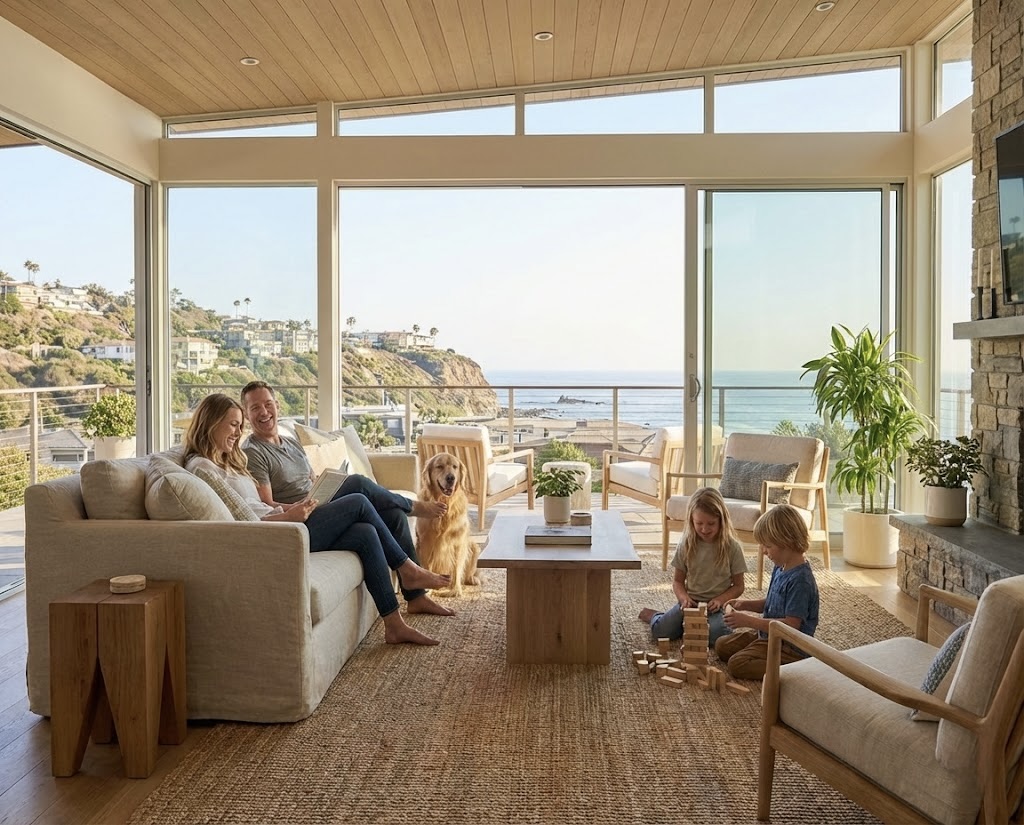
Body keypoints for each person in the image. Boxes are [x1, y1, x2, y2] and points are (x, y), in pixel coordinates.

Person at [182, 393, 451, 646]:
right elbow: (244, 524)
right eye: (233, 425)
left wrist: (292, 508)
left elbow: (255, 508)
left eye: (239, 426)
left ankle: (394, 623)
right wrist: (288, 516)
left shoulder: (226, 461)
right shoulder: (202, 468)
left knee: (366, 532)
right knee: (358, 497)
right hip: (282, 534)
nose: (238, 433)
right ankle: (408, 569)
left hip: (287, 520)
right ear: (211, 423)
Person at [239, 380, 453, 618]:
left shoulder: (290, 442)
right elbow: (268, 504)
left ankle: (411, 604)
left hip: (318, 505)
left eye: (268, 404)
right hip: (300, 521)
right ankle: (412, 518)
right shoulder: (253, 451)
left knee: (388, 519)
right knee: (358, 487)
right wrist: (298, 508)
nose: (264, 412)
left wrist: (324, 483)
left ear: (277, 405)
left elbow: (309, 479)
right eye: (255, 407)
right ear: (247, 415)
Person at [714, 503, 820, 680]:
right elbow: (772, 603)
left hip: (789, 646)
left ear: (787, 542)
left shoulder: (801, 581)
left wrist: (748, 621)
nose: (763, 551)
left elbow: (791, 626)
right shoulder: (781, 567)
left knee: (737, 664)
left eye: (767, 546)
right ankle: (762, 650)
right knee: (721, 645)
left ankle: (797, 668)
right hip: (768, 635)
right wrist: (744, 604)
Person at [637, 487, 745, 647]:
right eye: (699, 523)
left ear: (721, 520)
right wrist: (684, 599)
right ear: (691, 520)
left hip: (717, 607)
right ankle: (656, 616)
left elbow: (739, 586)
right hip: (690, 602)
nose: (705, 529)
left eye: (711, 523)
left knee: (716, 637)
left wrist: (720, 600)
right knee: (661, 632)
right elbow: (677, 582)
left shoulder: (732, 547)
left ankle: (687, 626)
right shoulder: (686, 544)